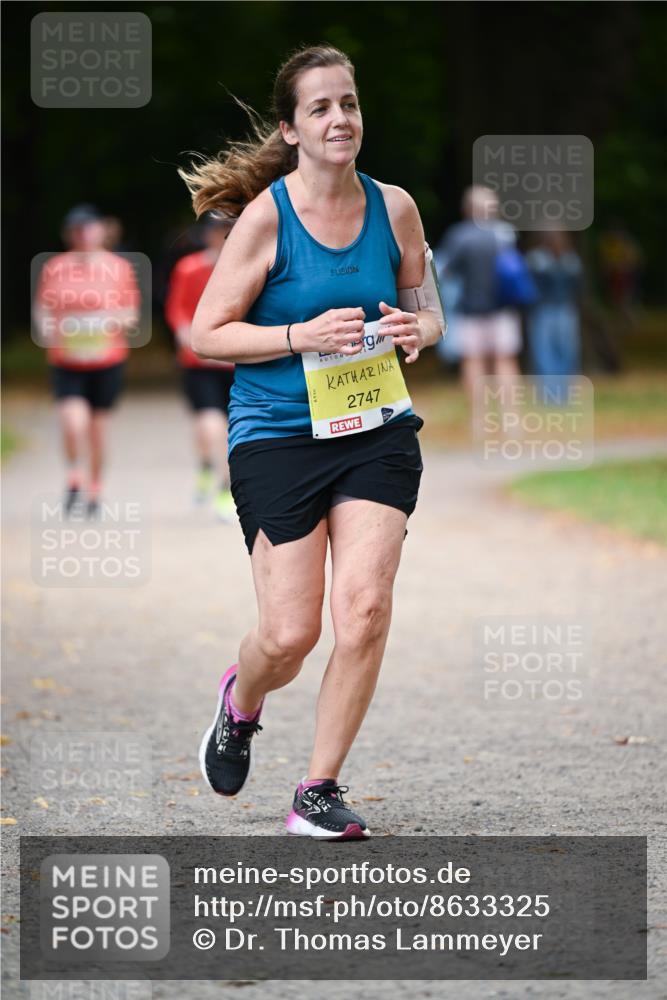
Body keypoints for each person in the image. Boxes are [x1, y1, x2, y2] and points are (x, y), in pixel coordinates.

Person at [179, 44, 444, 839]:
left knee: (362, 609)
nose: (340, 118)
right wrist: (299, 334)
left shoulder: (393, 207)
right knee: (289, 634)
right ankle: (241, 703)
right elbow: (206, 334)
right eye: (321, 107)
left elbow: (428, 307)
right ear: (291, 129)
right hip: (279, 437)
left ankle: (317, 790)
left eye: (349, 103)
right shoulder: (268, 219)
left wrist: (416, 328)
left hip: (374, 430)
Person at [34, 205, 140, 516]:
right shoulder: (54, 267)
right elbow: (42, 308)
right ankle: (73, 477)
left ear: (101, 230)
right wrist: (46, 328)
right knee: (72, 422)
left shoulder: (119, 268)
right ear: (69, 234)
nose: (83, 235)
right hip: (66, 358)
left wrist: (107, 321)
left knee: (97, 430)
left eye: (88, 228)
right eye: (76, 229)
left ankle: (95, 489)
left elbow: (131, 314)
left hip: (106, 359)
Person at [165, 214, 236, 518]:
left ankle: (219, 475)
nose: (222, 236)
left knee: (230, 427)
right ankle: (220, 479)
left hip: (238, 361)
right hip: (201, 361)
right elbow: (177, 310)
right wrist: (188, 336)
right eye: (218, 230)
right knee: (209, 423)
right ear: (207, 235)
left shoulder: (246, 267)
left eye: (228, 230)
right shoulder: (190, 267)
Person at [441, 186, 521, 398]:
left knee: (472, 360)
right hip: (503, 308)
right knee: (505, 360)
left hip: (470, 309)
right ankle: (510, 415)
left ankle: (479, 416)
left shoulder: (459, 236)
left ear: (467, 209)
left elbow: (445, 272)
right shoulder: (506, 233)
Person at [525, 230, 582, 398]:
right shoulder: (571, 260)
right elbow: (577, 287)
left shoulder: (535, 260)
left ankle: (550, 393)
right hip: (565, 310)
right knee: (565, 351)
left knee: (545, 352)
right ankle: (563, 393)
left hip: (544, 310)